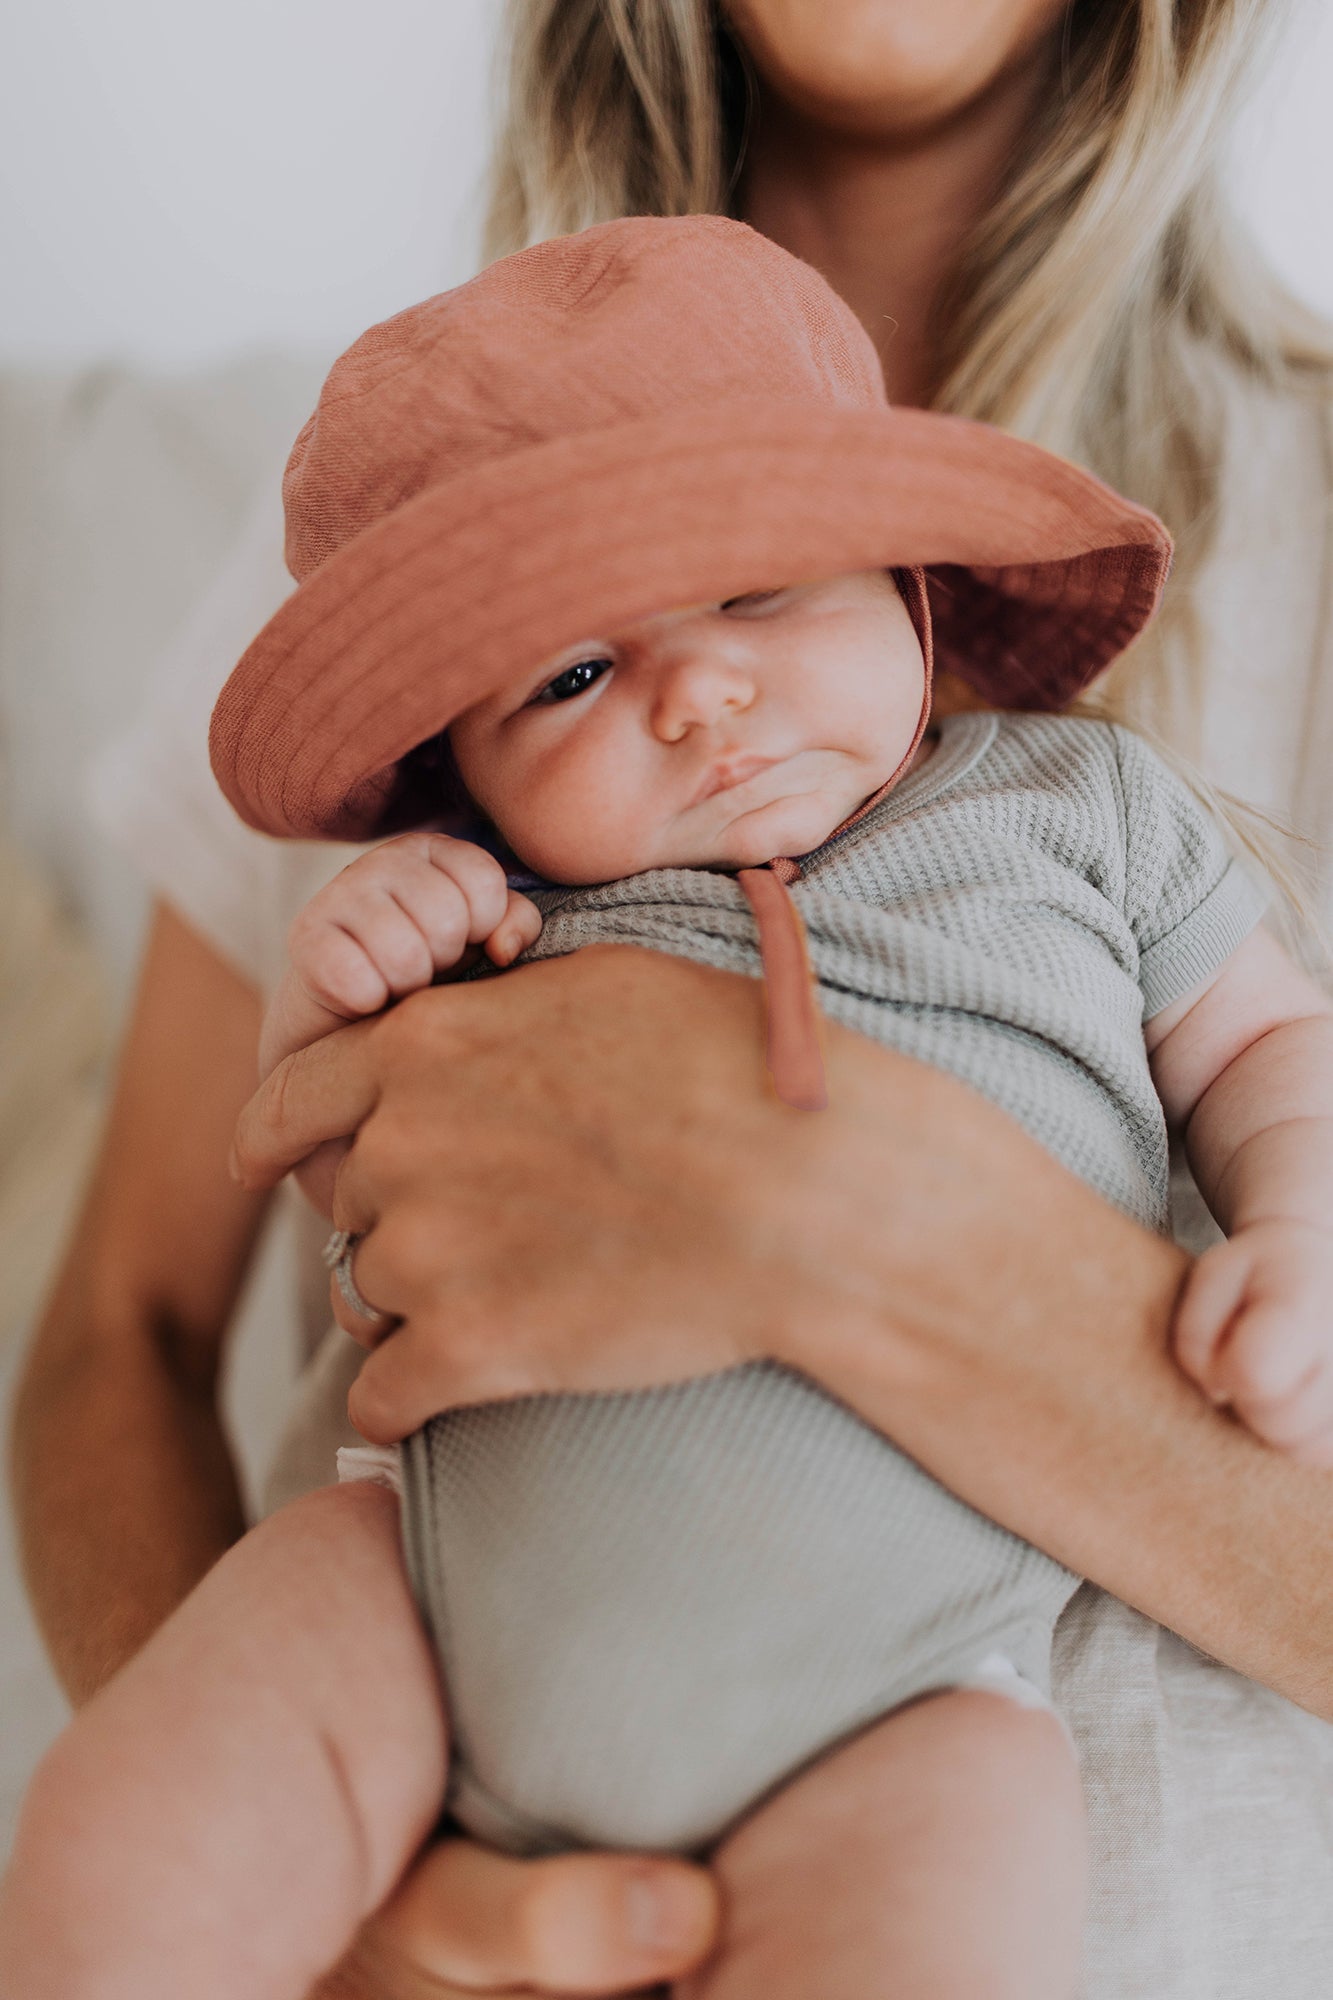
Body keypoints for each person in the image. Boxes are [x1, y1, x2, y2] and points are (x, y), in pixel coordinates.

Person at [12, 5, 1333, 1998]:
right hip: (424, 1595)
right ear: (452, 763)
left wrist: (1278, 1226)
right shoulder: (454, 764)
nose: (697, 690)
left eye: (762, 593)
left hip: (904, 1689)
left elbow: (1261, 1045)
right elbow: (235, 1248)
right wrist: (351, 969)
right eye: (567, 677)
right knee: (117, 1857)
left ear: (917, 590)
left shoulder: (1075, 808)